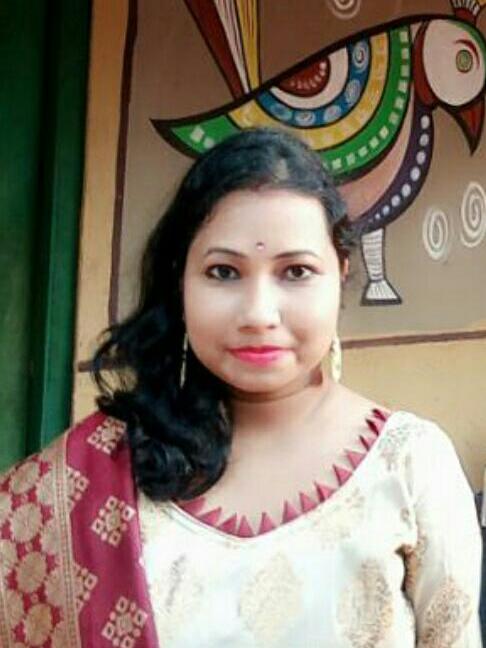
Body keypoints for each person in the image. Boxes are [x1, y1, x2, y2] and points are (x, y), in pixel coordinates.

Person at [0, 127, 482, 647]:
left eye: (296, 271)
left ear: (340, 274)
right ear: (180, 281)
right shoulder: (94, 475)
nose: (258, 313)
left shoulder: (410, 465)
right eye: (224, 272)